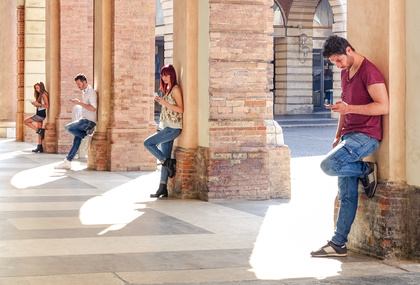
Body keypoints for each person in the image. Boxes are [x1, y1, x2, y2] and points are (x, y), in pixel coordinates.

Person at [310, 36, 389, 257]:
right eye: (334, 62)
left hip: (366, 137)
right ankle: (338, 243)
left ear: (348, 50)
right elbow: (345, 107)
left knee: (328, 165)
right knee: (346, 195)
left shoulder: (370, 72)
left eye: (338, 60)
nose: (337, 65)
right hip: (348, 137)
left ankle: (366, 170)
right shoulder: (346, 73)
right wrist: (337, 135)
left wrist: (349, 108)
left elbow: (383, 106)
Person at [144, 64, 183, 198]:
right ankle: (162, 188)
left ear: (172, 74)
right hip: (166, 127)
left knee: (148, 143)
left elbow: (181, 109)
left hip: (173, 128)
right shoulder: (167, 89)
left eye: (166, 75)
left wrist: (164, 103)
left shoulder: (176, 90)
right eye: (162, 75)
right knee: (165, 156)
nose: (164, 78)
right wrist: (161, 101)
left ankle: (167, 162)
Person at [55, 74, 97, 170]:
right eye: (77, 84)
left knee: (68, 128)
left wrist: (79, 103)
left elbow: (93, 108)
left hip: (89, 121)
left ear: (84, 82)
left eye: (79, 84)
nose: (78, 86)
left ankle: (85, 136)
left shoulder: (91, 93)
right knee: (76, 141)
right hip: (84, 119)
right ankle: (68, 161)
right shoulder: (84, 92)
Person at [24, 82, 49, 153]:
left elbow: (47, 106)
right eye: (35, 88)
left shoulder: (44, 94)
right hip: (38, 113)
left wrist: (39, 104)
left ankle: (39, 130)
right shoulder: (40, 95)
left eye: (37, 88)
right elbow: (41, 105)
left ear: (41, 87)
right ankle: (40, 146)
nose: (37, 90)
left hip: (41, 115)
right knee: (39, 133)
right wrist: (36, 104)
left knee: (26, 121)